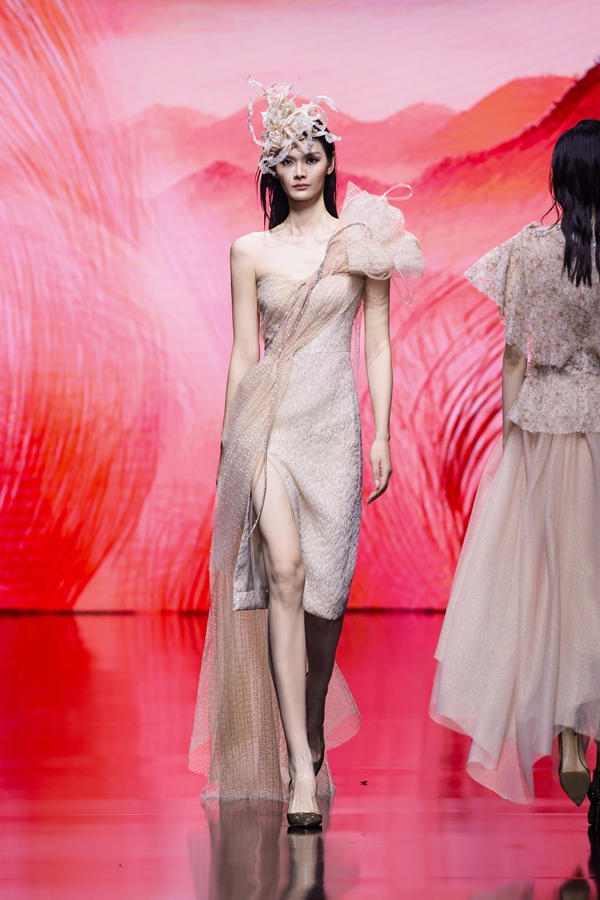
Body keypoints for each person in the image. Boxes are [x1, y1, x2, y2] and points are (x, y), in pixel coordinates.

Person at [189, 79, 423, 826]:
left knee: (325, 601)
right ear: (271, 168)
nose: (298, 169)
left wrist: (383, 432)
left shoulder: (362, 242)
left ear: (329, 163)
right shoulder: (249, 250)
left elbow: (378, 344)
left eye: (310, 156)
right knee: (285, 575)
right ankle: (297, 765)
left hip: (334, 434)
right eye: (285, 158)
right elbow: (241, 353)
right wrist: (229, 441)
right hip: (266, 432)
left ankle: (313, 713)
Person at [430, 119, 600, 818]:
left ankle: (569, 738)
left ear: (559, 178)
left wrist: (508, 441)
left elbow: (510, 356)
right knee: (591, 581)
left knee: (555, 583)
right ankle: (580, 728)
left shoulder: (526, 252)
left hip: (542, 425)